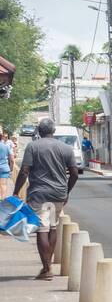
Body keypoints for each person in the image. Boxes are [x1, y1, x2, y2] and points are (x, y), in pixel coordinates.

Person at [13, 118, 78, 280]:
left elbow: (25, 171)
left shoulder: (33, 146)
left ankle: (47, 269)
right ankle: (46, 267)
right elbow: (75, 174)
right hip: (58, 194)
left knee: (42, 229)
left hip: (38, 194)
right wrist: (66, 192)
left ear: (39, 131)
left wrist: (16, 192)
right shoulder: (66, 148)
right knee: (52, 227)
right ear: (53, 131)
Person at [0, 131, 14, 197]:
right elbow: (11, 159)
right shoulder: (6, 147)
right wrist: (11, 168)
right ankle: (2, 203)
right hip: (4, 168)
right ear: (1, 138)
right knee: (3, 185)